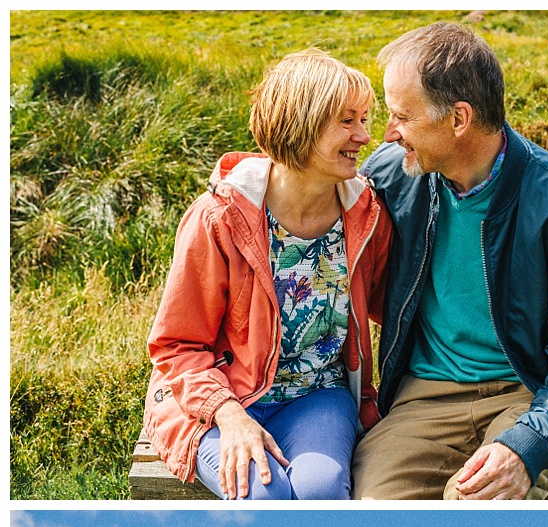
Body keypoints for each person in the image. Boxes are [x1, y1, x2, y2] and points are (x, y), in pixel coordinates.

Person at [352, 21, 548, 499]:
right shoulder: (389, 177)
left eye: (402, 117)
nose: (388, 134)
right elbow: (301, 199)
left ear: (459, 119)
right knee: (374, 511)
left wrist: (526, 445)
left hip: (531, 391)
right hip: (425, 394)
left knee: (475, 508)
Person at [145, 48, 391, 500]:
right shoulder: (218, 218)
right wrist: (228, 414)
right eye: (348, 121)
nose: (364, 136)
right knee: (265, 494)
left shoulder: (366, 216)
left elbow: (396, 305)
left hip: (318, 395)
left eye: (365, 119)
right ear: (301, 122)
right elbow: (177, 345)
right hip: (219, 400)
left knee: (320, 494)